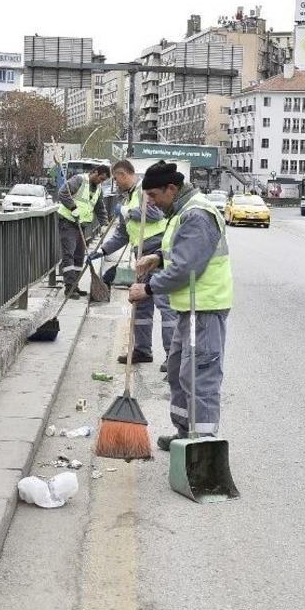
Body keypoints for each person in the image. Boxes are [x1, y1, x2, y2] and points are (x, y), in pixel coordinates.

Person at [128, 161, 233, 451]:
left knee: (200, 377)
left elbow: (187, 267)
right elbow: (183, 251)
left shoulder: (197, 214)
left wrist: (147, 288)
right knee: (177, 371)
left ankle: (203, 446)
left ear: (171, 189)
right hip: (190, 308)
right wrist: (158, 258)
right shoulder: (182, 211)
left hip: (205, 308)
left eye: (154, 195)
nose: (151, 202)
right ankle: (184, 433)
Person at [89, 160, 178, 368]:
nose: (115, 183)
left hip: (156, 253)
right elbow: (122, 234)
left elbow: (155, 214)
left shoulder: (144, 191)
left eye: (116, 178)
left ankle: (172, 356)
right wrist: (103, 250)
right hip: (140, 257)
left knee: (165, 305)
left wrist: (127, 212)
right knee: (141, 305)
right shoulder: (127, 198)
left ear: (123, 174)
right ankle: (142, 350)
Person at [57, 164, 110, 298]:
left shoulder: (98, 189)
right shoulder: (79, 180)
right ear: (95, 172)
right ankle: (69, 288)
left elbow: (100, 208)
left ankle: (75, 285)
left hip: (82, 225)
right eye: (101, 178)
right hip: (68, 222)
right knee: (69, 255)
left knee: (79, 256)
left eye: (104, 180)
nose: (101, 182)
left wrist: (104, 224)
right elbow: (63, 193)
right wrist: (72, 207)